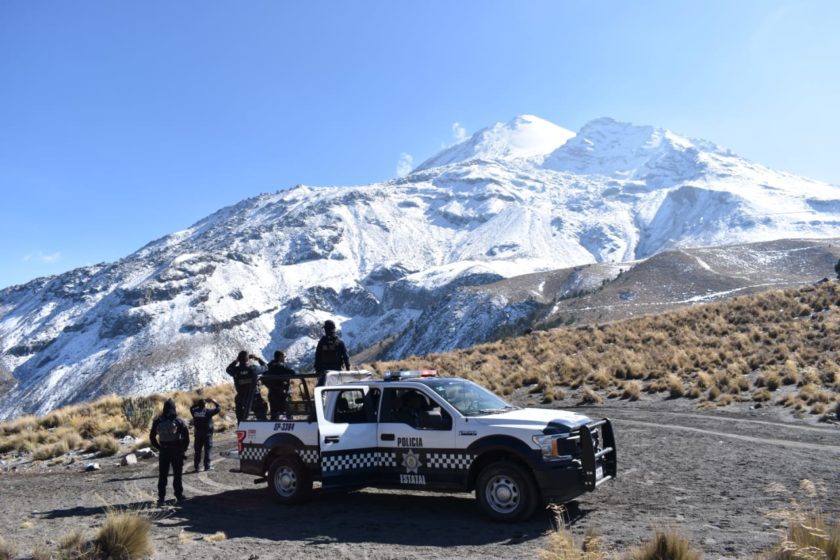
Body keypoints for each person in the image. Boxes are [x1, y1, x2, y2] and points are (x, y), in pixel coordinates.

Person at [149, 399, 190, 506]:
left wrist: (159, 447)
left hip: (164, 451)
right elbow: (186, 438)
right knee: (177, 474)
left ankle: (161, 498)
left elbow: (152, 437)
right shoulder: (179, 421)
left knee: (163, 474)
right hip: (176, 450)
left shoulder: (158, 421)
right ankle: (178, 495)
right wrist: (183, 449)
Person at [226, 350, 268, 421]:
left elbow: (227, 369)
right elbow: (265, 367)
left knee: (241, 420)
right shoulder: (253, 368)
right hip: (254, 397)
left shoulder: (235, 370)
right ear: (247, 359)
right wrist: (258, 359)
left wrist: (236, 361)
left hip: (241, 398)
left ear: (239, 359)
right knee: (262, 418)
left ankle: (242, 429)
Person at [314, 320, 350, 386]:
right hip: (337, 371)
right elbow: (346, 356)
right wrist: (348, 369)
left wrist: (317, 370)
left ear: (326, 329)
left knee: (322, 389)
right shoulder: (339, 342)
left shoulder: (322, 342)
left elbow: (317, 356)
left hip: (324, 371)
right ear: (334, 329)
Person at [189, 397, 220, 472]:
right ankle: (207, 466)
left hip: (198, 434)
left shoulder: (195, 412)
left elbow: (191, 408)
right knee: (207, 450)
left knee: (197, 451)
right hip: (207, 434)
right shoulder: (207, 412)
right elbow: (218, 408)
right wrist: (213, 401)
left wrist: (198, 403)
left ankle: (196, 467)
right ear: (205, 405)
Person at [265, 351, 295, 420]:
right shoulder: (281, 366)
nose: (284, 359)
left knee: (274, 415)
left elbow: (264, 380)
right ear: (280, 357)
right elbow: (293, 372)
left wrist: (270, 386)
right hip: (282, 394)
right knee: (289, 415)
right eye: (284, 357)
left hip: (272, 393)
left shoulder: (269, 366)